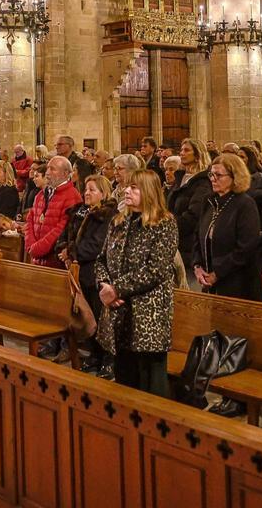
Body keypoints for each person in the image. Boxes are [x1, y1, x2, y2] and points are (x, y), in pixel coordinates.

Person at [95, 169, 178, 397]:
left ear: (149, 191)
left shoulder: (164, 224)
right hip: (119, 310)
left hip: (148, 313)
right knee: (125, 378)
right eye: (127, 187)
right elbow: (102, 259)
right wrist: (104, 285)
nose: (127, 191)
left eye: (134, 187)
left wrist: (116, 289)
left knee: (150, 382)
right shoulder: (119, 222)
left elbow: (156, 270)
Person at [57, 174, 117, 375]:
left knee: (101, 318)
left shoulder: (107, 215)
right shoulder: (81, 212)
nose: (87, 193)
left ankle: (107, 359)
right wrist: (65, 247)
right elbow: (66, 235)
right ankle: (93, 355)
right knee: (87, 315)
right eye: (86, 189)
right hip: (80, 271)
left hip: (97, 274)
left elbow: (96, 246)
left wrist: (71, 252)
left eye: (92, 190)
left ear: (103, 193)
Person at [192, 152, 262, 300]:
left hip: (238, 284)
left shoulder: (245, 204)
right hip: (209, 281)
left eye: (218, 175)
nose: (213, 179)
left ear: (235, 176)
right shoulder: (209, 201)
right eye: (211, 175)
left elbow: (246, 248)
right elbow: (198, 237)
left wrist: (217, 273)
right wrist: (197, 266)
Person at [24, 155, 82, 267]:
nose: (47, 173)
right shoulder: (41, 194)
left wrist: (38, 248)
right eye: (48, 168)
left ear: (65, 174)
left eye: (53, 169)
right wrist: (30, 245)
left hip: (54, 262)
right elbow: (30, 219)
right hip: (36, 260)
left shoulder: (72, 196)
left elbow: (62, 228)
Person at [168, 138, 212, 273]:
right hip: (174, 240)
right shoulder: (180, 177)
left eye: (186, 150)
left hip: (188, 243)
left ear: (198, 154)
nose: (181, 153)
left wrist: (169, 228)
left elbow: (194, 215)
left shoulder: (203, 182)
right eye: (181, 150)